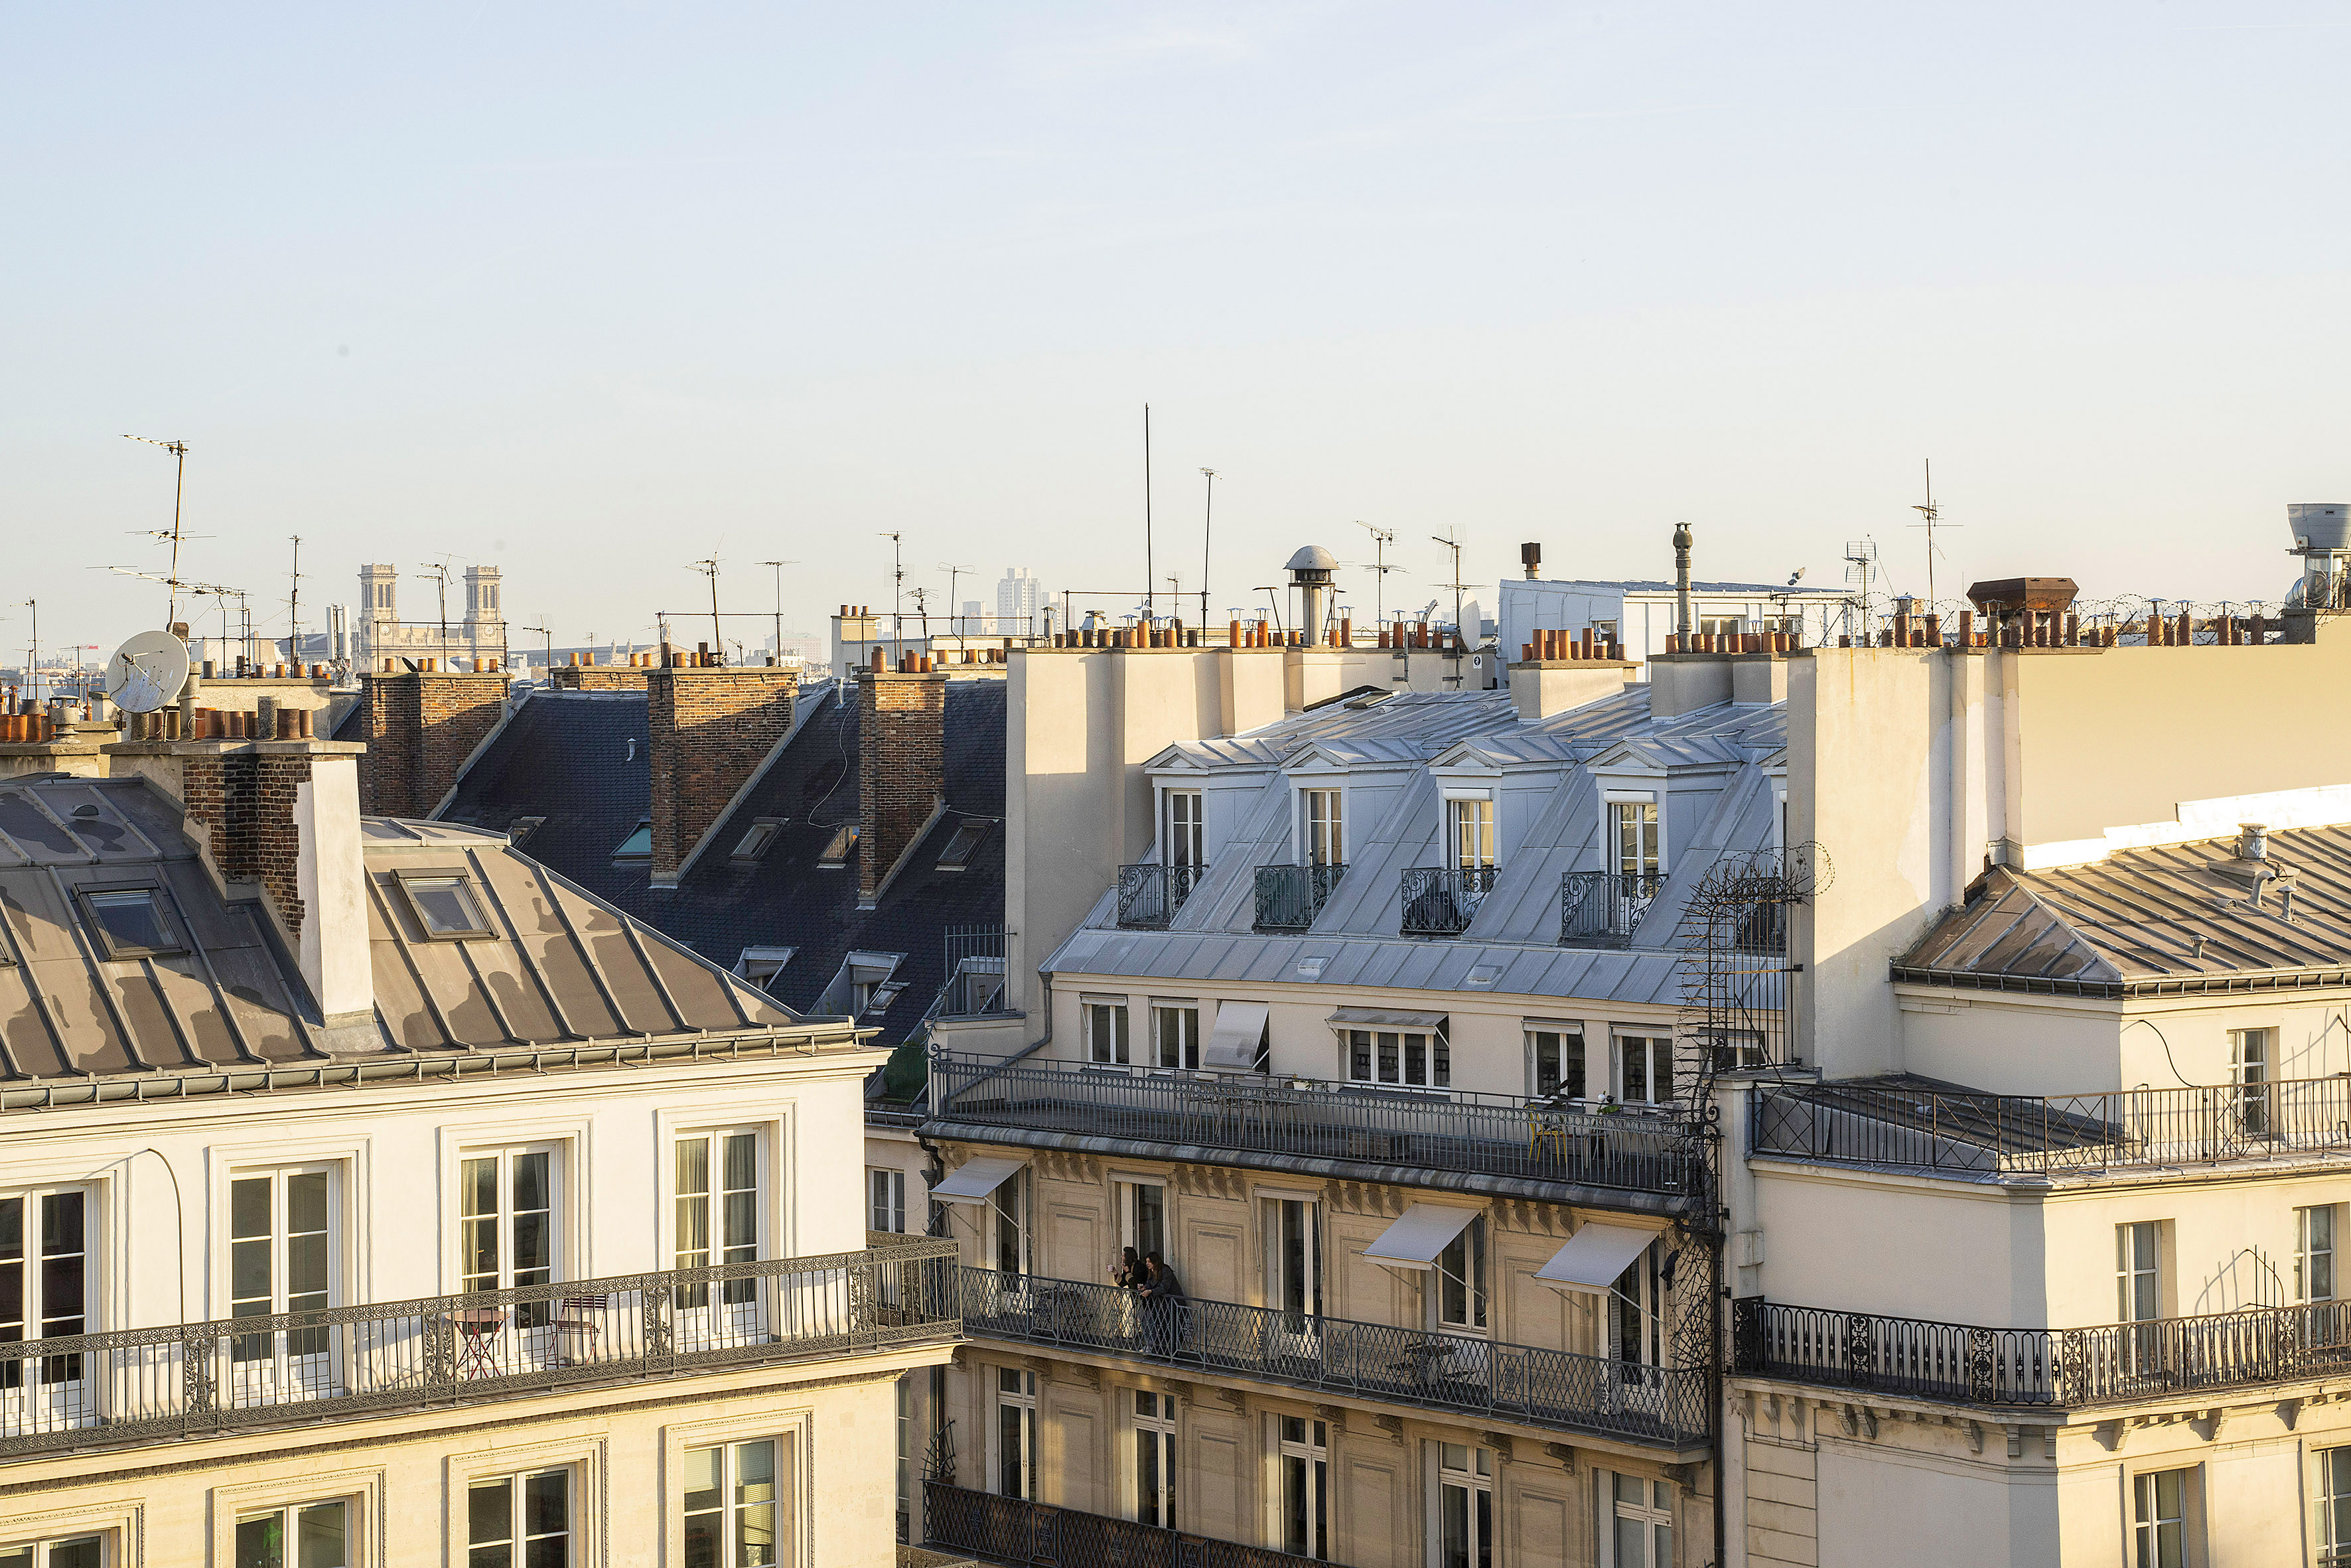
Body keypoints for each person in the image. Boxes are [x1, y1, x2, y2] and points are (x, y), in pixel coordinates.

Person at [1141, 1251, 1186, 1356]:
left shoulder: (1165, 1271)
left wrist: (1151, 1291)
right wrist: (1145, 1288)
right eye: (1146, 1262)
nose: (1147, 1264)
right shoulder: (1152, 1272)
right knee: (1162, 1327)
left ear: (1154, 1262)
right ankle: (1163, 1350)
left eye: (1149, 1262)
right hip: (1162, 1306)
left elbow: (1164, 1287)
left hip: (1172, 1305)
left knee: (1172, 1328)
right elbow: (1150, 1283)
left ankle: (1172, 1352)